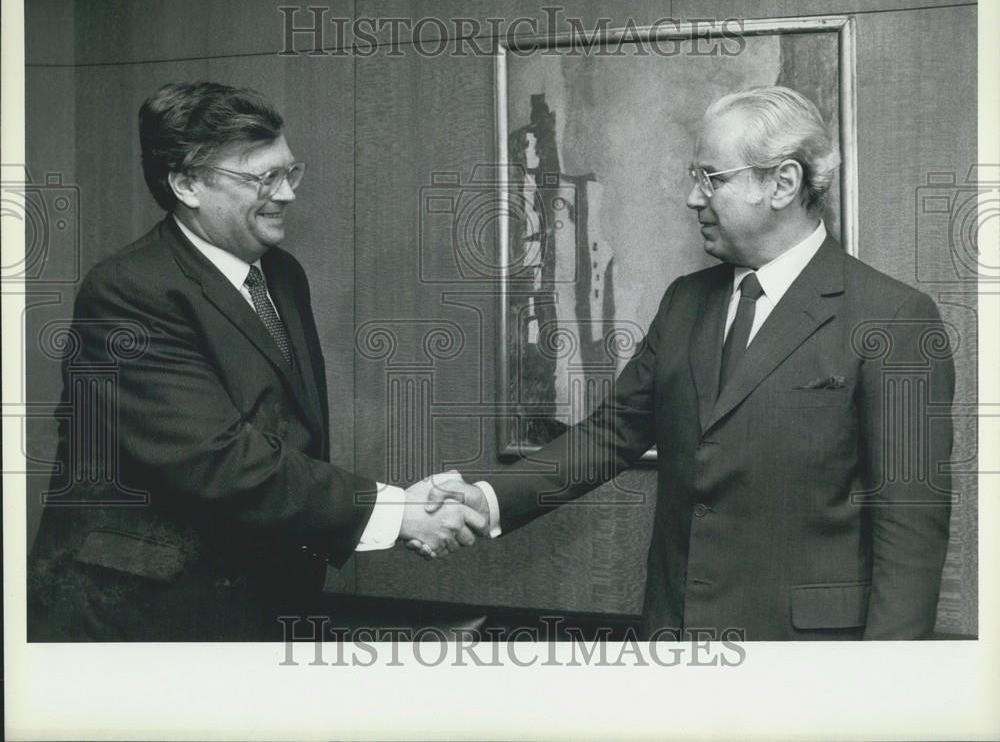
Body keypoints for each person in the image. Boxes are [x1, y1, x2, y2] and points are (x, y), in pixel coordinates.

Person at [417, 86, 955, 641]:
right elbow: (610, 434)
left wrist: (888, 691)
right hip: (675, 644)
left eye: (712, 178)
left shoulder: (893, 319)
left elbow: (910, 532)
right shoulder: (685, 302)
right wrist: (486, 499)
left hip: (808, 668)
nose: (693, 199)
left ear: (783, 183)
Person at [27, 81, 485, 642]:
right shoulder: (128, 291)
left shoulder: (283, 275)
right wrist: (393, 510)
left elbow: (291, 438)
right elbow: (215, 458)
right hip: (143, 618)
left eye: (290, 172)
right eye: (263, 177)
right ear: (187, 183)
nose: (287, 193)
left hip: (260, 599)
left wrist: (392, 509)